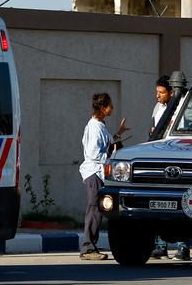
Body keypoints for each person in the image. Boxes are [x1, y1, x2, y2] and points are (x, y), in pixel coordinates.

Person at [79, 93, 127, 261]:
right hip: (94, 172)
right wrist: (110, 159)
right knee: (94, 209)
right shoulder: (94, 127)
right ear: (102, 107)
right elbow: (94, 153)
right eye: (109, 106)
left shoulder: (100, 125)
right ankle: (88, 247)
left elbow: (106, 143)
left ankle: (90, 245)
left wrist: (119, 134)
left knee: (98, 209)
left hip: (99, 171)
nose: (112, 108)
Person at [148, 76, 191, 261]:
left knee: (183, 205)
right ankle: (161, 246)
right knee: (158, 203)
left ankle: (183, 247)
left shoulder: (184, 107)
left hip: (180, 161)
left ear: (172, 92)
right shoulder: (158, 108)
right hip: (160, 161)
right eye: (157, 92)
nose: (158, 96)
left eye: (161, 92)